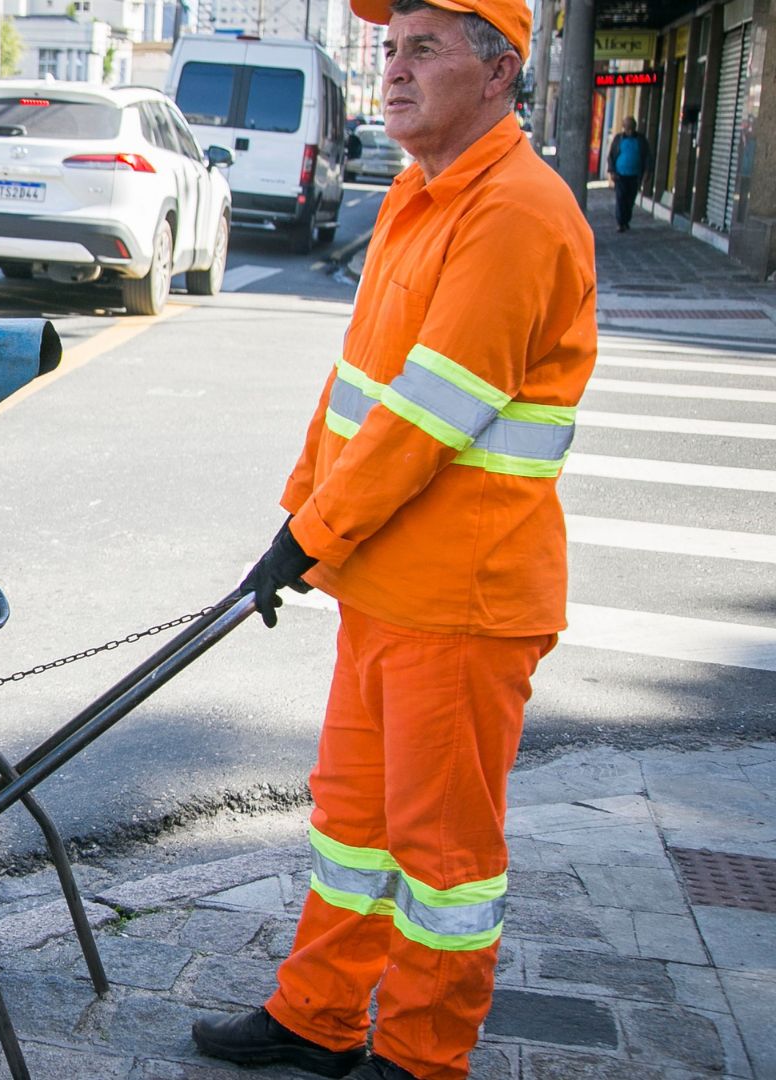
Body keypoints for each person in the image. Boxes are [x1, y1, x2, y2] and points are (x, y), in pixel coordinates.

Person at [188, 0, 597, 1076]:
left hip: (463, 600)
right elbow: (357, 394)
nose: (395, 70)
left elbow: (428, 421)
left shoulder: (513, 212)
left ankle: (421, 1055)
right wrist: (300, 518)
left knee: (444, 860)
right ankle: (317, 1016)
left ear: (500, 73)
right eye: (390, 49)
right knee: (354, 828)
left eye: (425, 49)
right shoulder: (422, 195)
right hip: (386, 586)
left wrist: (315, 532)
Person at [608, 116, 650, 232]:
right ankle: (620, 222)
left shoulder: (641, 140)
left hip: (634, 175)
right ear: (623, 128)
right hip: (620, 175)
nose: (629, 131)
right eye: (627, 128)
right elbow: (611, 156)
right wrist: (612, 171)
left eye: (631, 128)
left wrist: (646, 172)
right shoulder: (618, 139)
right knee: (621, 198)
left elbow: (647, 157)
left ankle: (626, 221)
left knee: (630, 200)